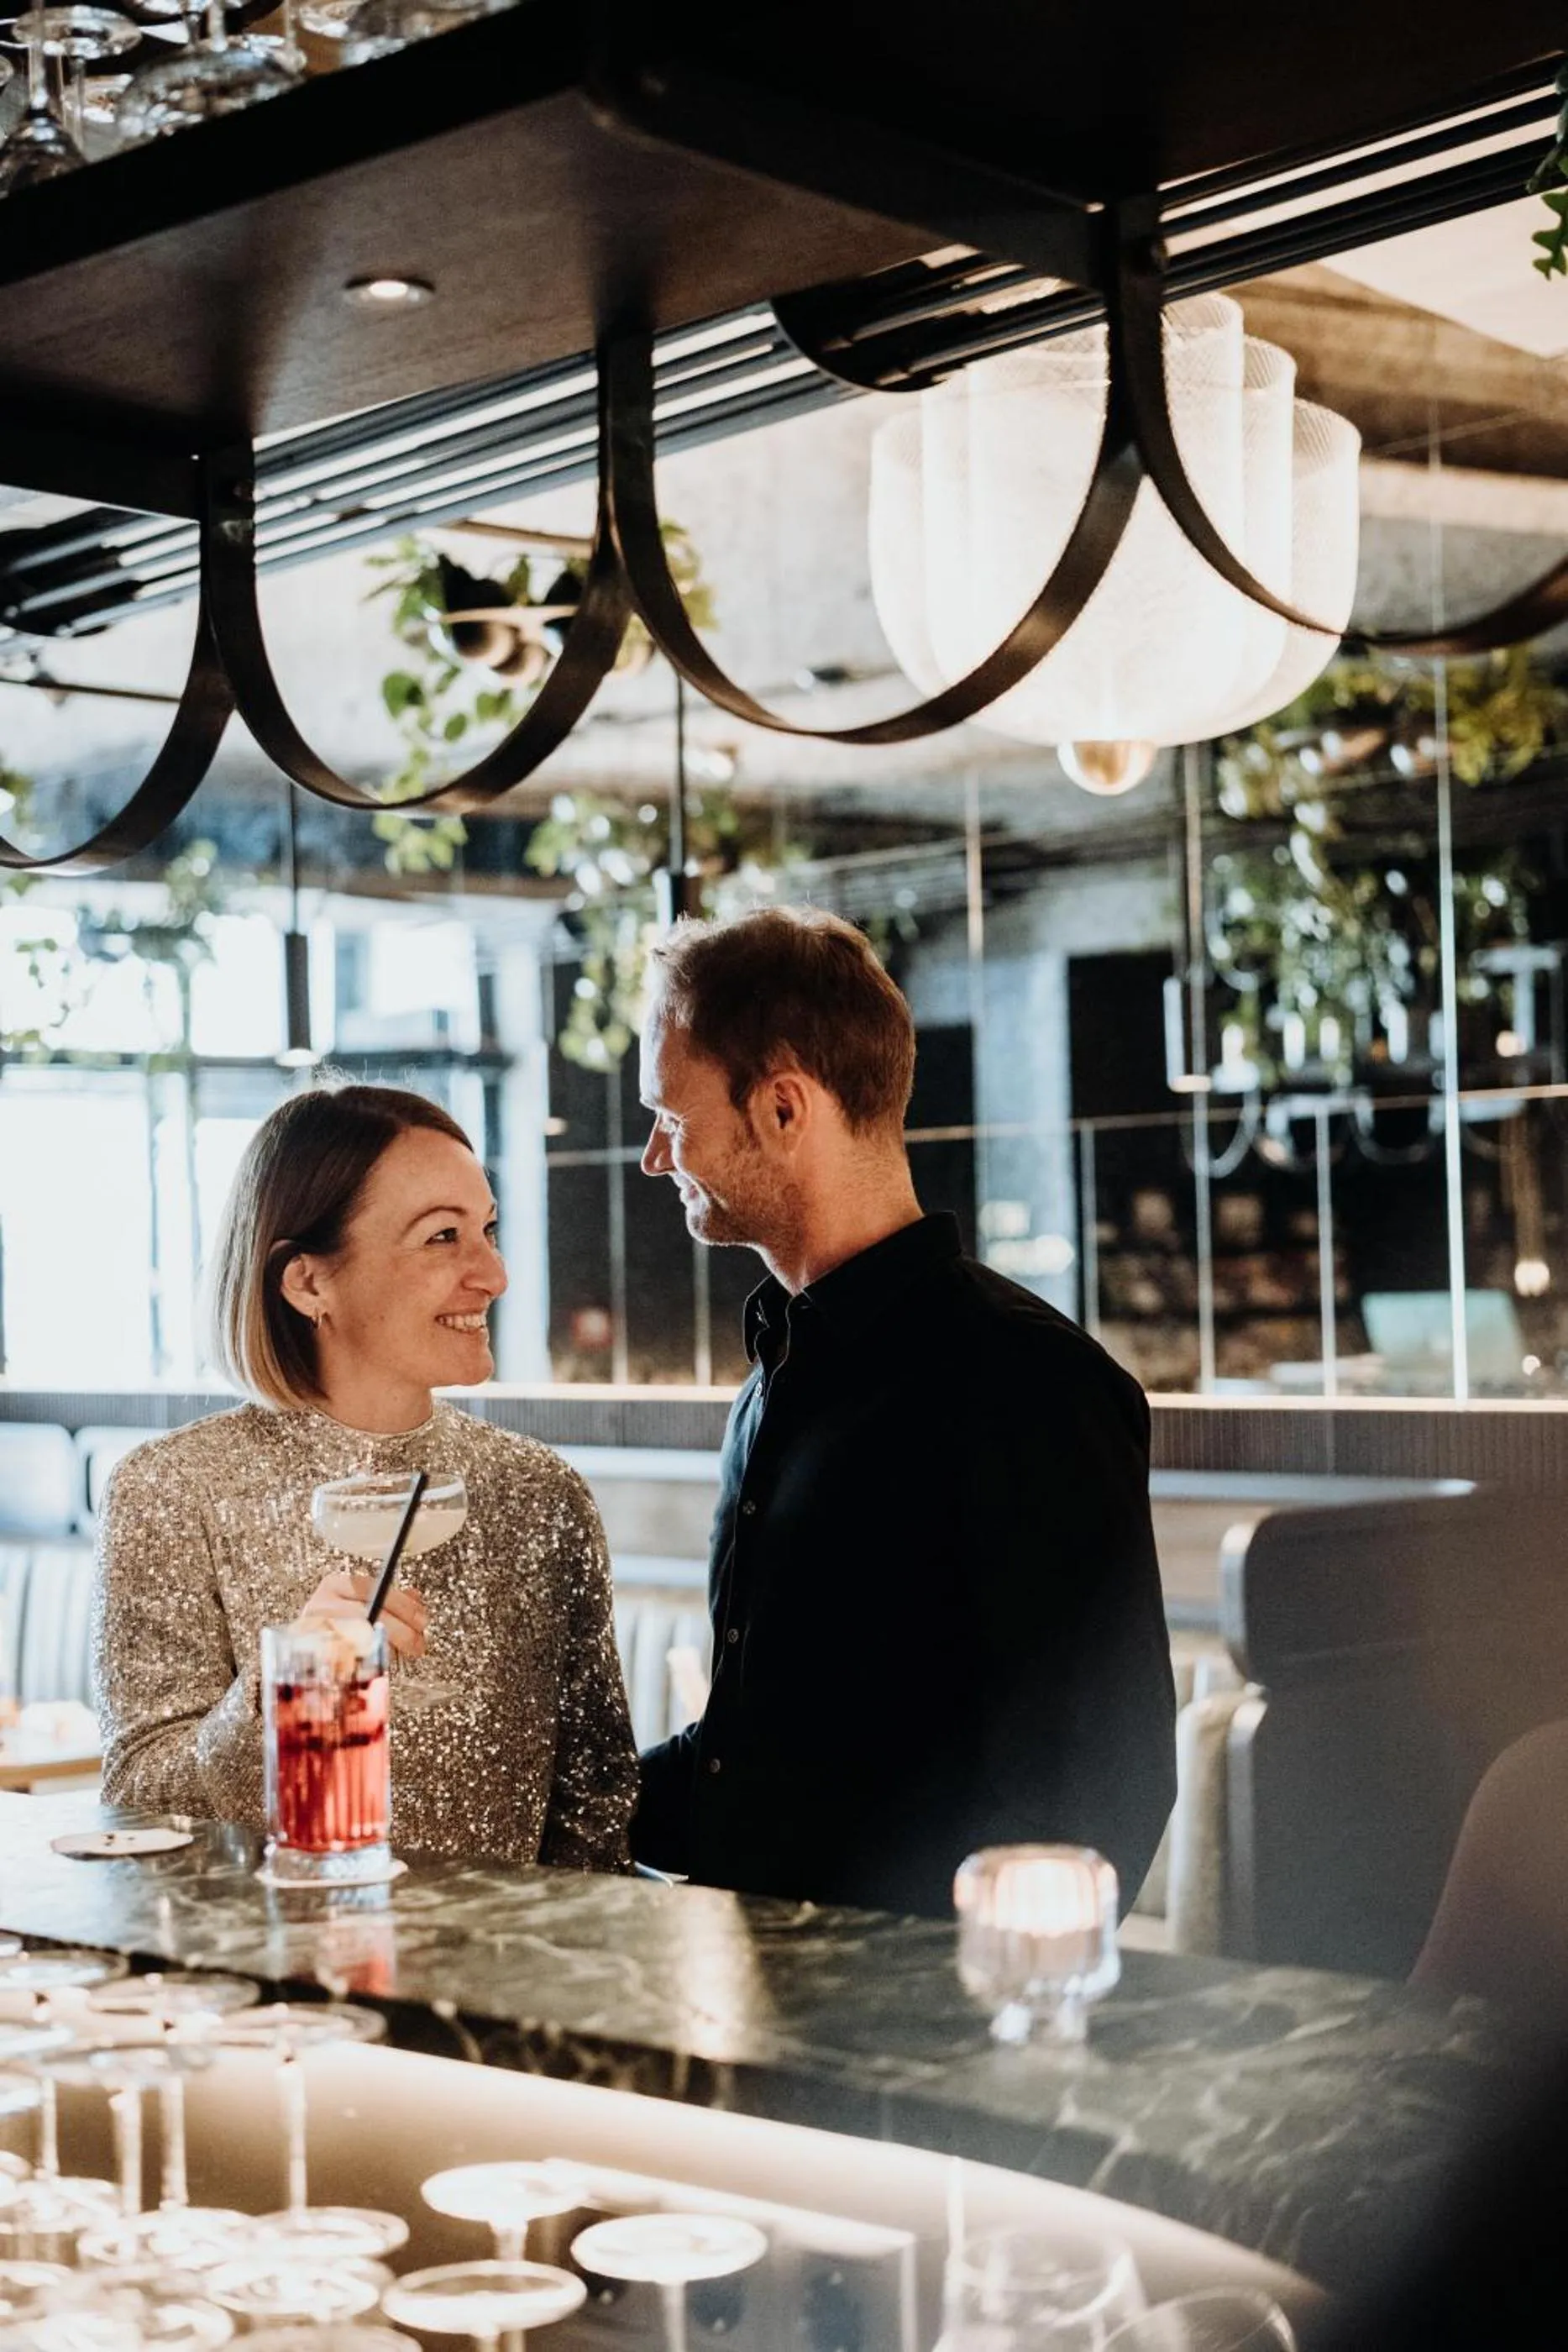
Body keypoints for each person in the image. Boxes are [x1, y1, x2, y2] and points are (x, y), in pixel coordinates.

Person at [630, 906, 1176, 1917]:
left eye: (671, 1116)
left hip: (912, 2032)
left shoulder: (1026, 1378)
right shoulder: (774, 1378)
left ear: (784, 1108)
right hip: (756, 2004)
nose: (656, 1159)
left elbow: (1100, 1785)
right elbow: (755, 1756)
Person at [92, 1082, 637, 1870]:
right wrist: (286, 1690)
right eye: (443, 1238)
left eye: (488, 1229)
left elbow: (596, 1808)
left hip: (504, 1977)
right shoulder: (172, 1490)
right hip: (269, 1974)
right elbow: (141, 1805)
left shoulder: (539, 1494)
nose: (493, 1273)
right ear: (309, 1282)